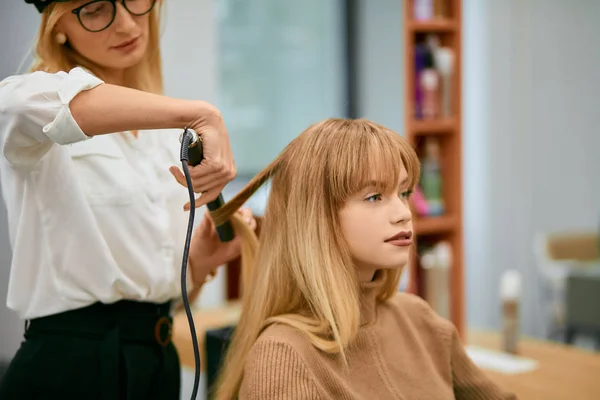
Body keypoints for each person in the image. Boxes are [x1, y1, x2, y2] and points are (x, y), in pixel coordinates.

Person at [0, 1, 256, 399]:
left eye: (134, 1)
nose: (125, 24)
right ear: (58, 26)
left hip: (156, 359)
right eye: (97, 9)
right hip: (72, 367)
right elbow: (20, 103)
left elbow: (156, 294)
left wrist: (198, 263)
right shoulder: (30, 107)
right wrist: (204, 114)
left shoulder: (160, 137)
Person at [209, 118, 518, 399]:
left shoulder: (419, 320)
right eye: (374, 197)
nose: (402, 214)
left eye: (404, 192)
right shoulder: (283, 357)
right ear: (318, 218)